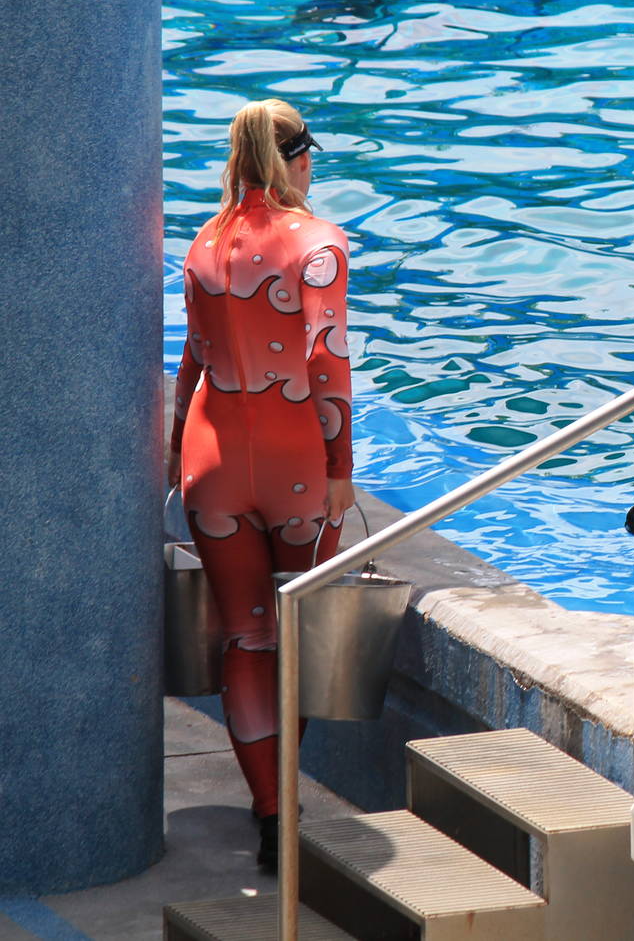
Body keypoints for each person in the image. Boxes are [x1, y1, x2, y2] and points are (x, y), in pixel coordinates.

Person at [168, 98, 357, 872]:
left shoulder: (204, 245)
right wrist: (340, 470)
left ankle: (272, 813)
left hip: (210, 459)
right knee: (296, 635)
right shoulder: (319, 245)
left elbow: (190, 362)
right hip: (295, 466)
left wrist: (174, 452)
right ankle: (284, 803)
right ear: (297, 159)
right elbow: (325, 364)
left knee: (245, 636)